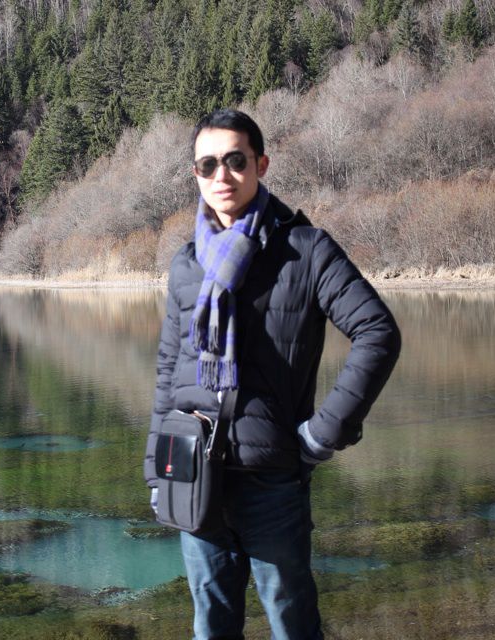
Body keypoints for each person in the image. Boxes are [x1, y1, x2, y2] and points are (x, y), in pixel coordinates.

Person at [144, 108, 401, 640]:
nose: (222, 175)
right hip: (192, 473)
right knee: (211, 625)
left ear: (260, 164)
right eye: (208, 165)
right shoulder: (187, 263)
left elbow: (377, 333)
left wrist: (322, 434)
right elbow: (169, 371)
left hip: (272, 479)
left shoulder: (305, 250)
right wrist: (156, 471)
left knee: (292, 623)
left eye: (235, 160)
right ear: (195, 174)